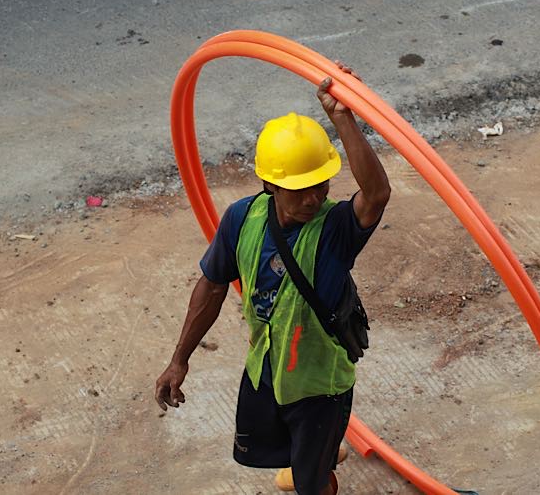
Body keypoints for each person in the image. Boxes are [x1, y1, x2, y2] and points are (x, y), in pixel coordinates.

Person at [154, 62, 390, 495]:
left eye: (320, 184)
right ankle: (318, 453)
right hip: (268, 368)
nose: (314, 197)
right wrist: (179, 359)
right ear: (269, 184)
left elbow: (375, 195)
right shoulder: (242, 219)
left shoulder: (335, 229)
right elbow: (211, 285)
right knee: (270, 448)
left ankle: (318, 471)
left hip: (320, 383)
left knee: (310, 482)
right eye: (299, 187)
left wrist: (342, 118)